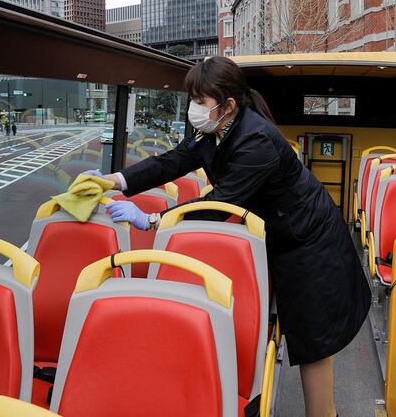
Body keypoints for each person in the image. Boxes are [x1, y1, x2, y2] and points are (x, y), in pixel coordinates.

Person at [84, 56, 370, 417]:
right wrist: (117, 181)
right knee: (303, 331)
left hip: (311, 240)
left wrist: (154, 219)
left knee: (313, 339)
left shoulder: (258, 141)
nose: (193, 109)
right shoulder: (214, 130)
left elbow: (220, 204)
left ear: (228, 105)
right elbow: (171, 162)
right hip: (280, 234)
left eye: (199, 101)